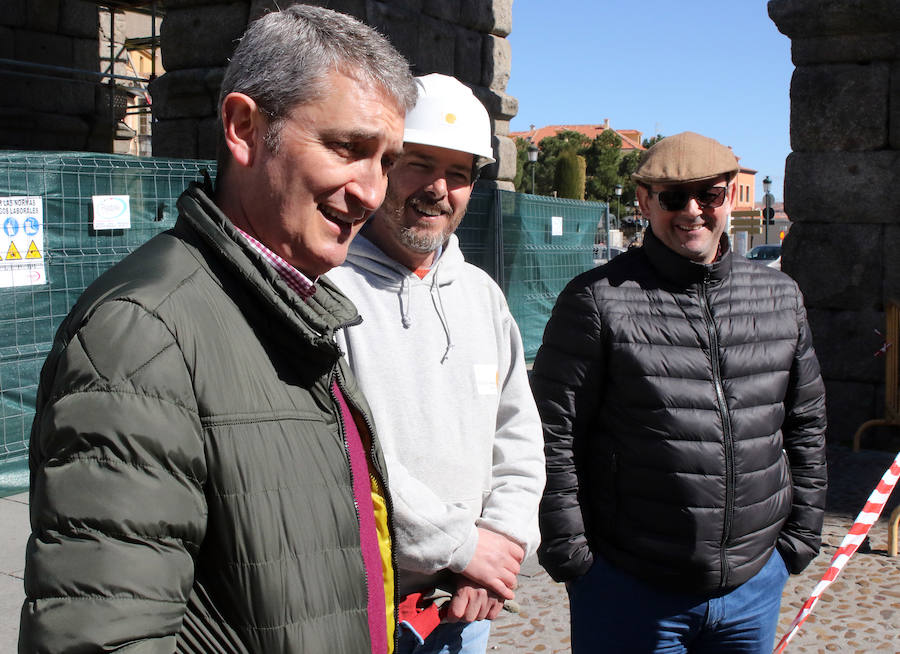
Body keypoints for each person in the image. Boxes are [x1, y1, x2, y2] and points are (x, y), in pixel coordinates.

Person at [20, 6, 416, 653]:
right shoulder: (141, 337)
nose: (372, 190)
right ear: (244, 128)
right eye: (348, 148)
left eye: (385, 159)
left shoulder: (295, 308)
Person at [532, 131, 827, 653]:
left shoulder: (781, 296)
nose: (692, 211)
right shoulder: (597, 301)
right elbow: (553, 435)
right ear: (645, 200)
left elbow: (805, 421)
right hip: (630, 586)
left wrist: (798, 538)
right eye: (672, 197)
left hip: (754, 583)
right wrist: (574, 557)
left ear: (728, 198)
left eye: (709, 195)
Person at [327, 73, 545, 654]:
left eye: (459, 174)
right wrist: (464, 547)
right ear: (382, 165)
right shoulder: (327, 293)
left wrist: (500, 544)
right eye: (420, 165)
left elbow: (518, 436)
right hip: (360, 607)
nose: (438, 189)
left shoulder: (482, 297)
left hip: (461, 610)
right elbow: (342, 454)